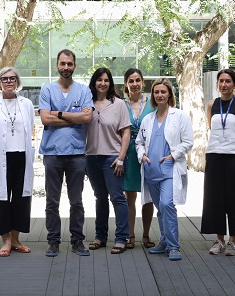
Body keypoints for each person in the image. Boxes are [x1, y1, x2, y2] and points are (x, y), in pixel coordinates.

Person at [39, 49, 94, 257]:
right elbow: (45, 119)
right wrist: (74, 116)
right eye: (62, 63)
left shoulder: (83, 90)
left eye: (70, 64)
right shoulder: (47, 90)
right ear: (57, 65)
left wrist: (58, 113)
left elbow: (86, 118)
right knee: (52, 200)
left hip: (76, 153)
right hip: (52, 153)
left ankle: (77, 240)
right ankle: (53, 241)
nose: (66, 67)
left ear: (75, 66)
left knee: (76, 200)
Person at [0, 67, 35, 257]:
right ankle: (6, 240)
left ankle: (16, 238)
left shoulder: (26, 104)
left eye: (12, 78)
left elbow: (30, 129)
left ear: (18, 81)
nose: (9, 81)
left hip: (22, 156)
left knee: (21, 199)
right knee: (1, 199)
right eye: (5, 79)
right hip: (0, 156)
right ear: (0, 82)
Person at [135, 78, 193, 261]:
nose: (160, 95)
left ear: (169, 94)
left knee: (167, 205)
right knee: (160, 208)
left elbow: (188, 142)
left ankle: (174, 246)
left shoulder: (180, 116)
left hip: (169, 170)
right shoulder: (148, 118)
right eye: (156, 92)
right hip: (151, 170)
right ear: (153, 95)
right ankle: (164, 241)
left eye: (163, 92)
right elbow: (139, 142)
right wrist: (142, 155)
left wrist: (173, 155)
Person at [200, 69, 235, 256]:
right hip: (214, 156)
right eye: (221, 81)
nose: (224, 84)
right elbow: (211, 127)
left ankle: (232, 241)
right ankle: (219, 240)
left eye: (228, 81)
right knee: (215, 199)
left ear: (234, 84)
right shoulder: (211, 104)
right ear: (217, 84)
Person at [85, 67, 131, 254]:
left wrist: (121, 157)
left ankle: (121, 238)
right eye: (99, 80)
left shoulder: (118, 104)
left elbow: (126, 132)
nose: (103, 83)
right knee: (100, 198)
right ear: (94, 82)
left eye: (106, 80)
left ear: (110, 83)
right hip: (91, 158)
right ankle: (100, 236)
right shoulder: (87, 103)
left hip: (112, 158)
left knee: (117, 197)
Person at [122, 68, 156, 249]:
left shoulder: (152, 102)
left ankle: (146, 234)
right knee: (130, 195)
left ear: (142, 82)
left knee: (148, 195)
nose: (134, 84)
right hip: (128, 152)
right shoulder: (121, 104)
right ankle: (130, 235)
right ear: (126, 84)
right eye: (131, 81)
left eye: (137, 80)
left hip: (147, 152)